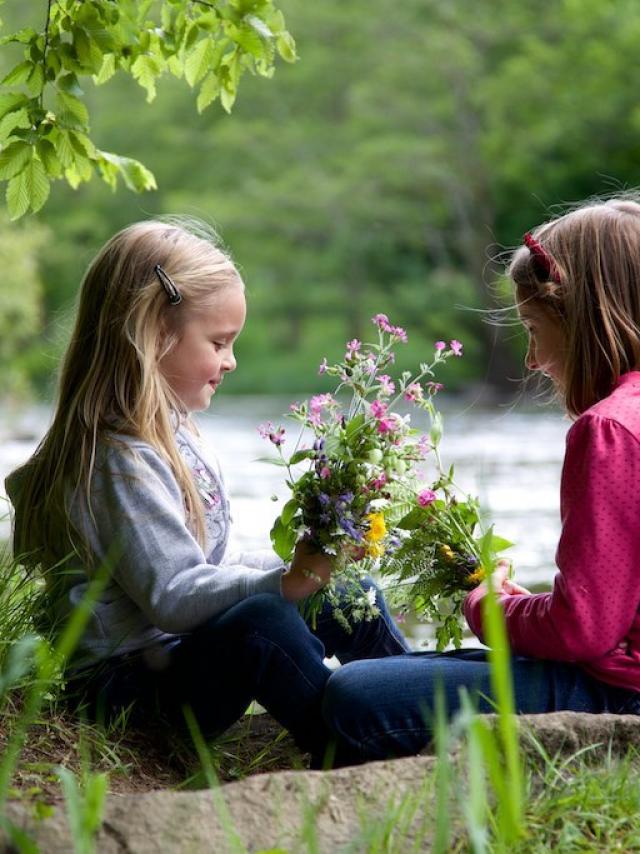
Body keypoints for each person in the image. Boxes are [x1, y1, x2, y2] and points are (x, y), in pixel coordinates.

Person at [5, 217, 408, 765]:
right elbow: (174, 596)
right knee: (261, 625)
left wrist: (310, 565)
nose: (231, 360)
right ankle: (355, 745)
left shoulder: (175, 433)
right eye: (218, 342)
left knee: (346, 594)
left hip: (179, 657)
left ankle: (418, 706)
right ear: (153, 333)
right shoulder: (115, 459)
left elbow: (217, 561)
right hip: (127, 688)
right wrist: (285, 583)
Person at [321, 197, 640, 764]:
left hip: (620, 697)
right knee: (385, 671)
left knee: (354, 693)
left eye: (534, 329)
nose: (535, 359)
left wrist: (487, 606)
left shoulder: (610, 429)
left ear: (582, 314)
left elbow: (583, 631)